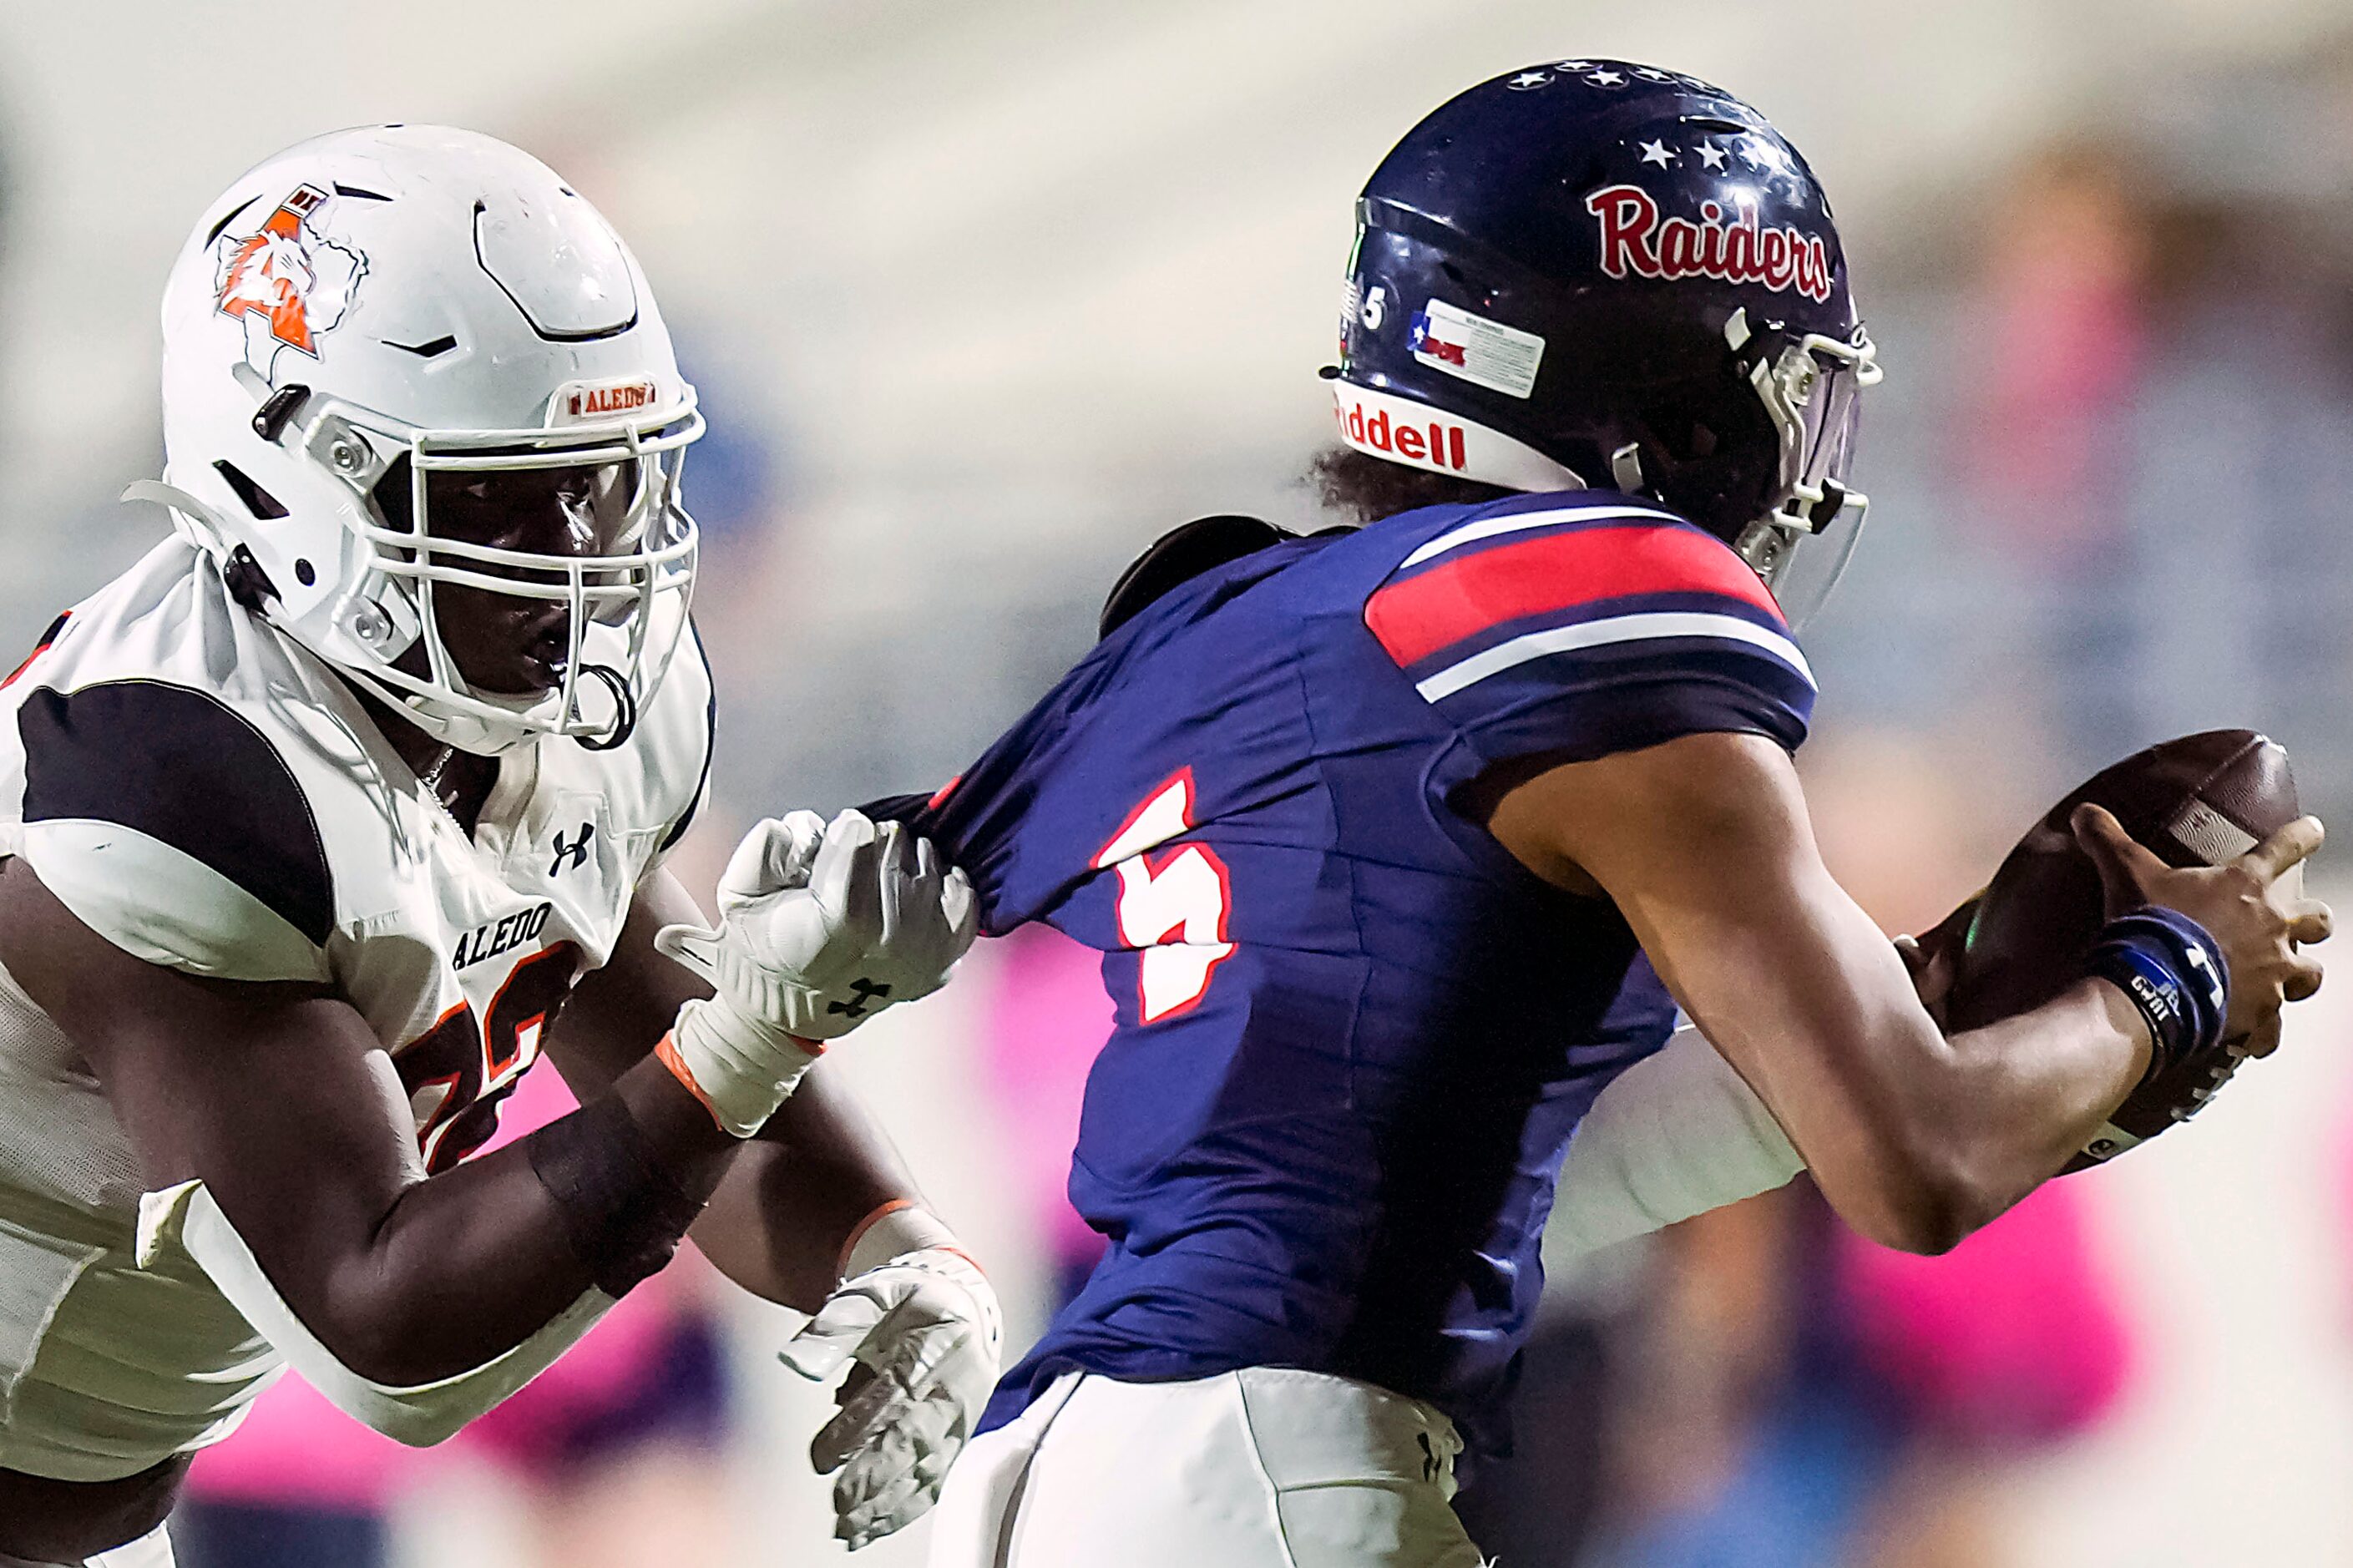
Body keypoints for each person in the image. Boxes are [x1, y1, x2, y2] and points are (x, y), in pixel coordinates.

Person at [891, 63, 2328, 1567]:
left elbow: (1513, 1183)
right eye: (1782, 390)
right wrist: (2164, 983)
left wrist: (1919, 1002)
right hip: (1269, 1476)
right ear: (1670, 411)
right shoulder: (1607, 645)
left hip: (1058, 1465)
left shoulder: (1267, 628)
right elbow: (1917, 1166)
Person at [0, 126, 996, 1567]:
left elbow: (681, 1040)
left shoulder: (546, 705)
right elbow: (386, 1331)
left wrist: (904, 1254)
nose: (576, 559)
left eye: (597, 479)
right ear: (293, 488)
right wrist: (752, 1039)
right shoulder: (173, 773)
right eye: (489, 498)